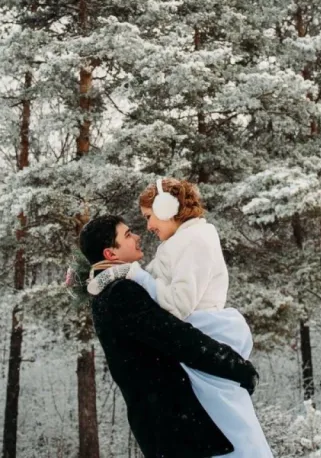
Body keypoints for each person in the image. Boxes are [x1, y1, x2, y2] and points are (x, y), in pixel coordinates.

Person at [92, 177, 273, 458]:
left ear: (167, 208)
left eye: (149, 217)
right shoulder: (180, 242)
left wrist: (134, 273)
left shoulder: (196, 241)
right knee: (219, 415)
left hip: (205, 329)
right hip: (192, 340)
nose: (147, 227)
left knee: (225, 415)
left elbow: (177, 304)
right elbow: (154, 290)